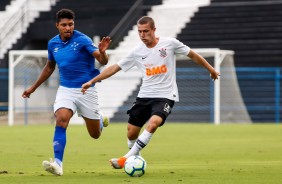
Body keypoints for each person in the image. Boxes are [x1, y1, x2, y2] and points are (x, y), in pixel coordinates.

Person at [81, 16, 220, 169]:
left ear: (154, 30)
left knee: (153, 123)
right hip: (144, 96)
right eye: (140, 32)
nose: (142, 35)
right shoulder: (137, 52)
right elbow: (115, 68)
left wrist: (211, 70)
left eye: (146, 31)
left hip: (165, 96)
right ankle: (136, 159)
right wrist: (92, 81)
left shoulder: (170, 44)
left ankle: (125, 159)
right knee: (131, 133)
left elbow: (192, 55)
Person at [22, 9, 111, 176]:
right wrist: (32, 88)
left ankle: (99, 120)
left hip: (86, 90)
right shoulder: (52, 44)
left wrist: (103, 52)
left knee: (95, 135)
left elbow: (102, 60)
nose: (68, 28)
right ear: (57, 26)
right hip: (65, 90)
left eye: (71, 24)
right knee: (61, 120)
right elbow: (49, 68)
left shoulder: (83, 40)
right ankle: (58, 164)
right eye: (64, 25)